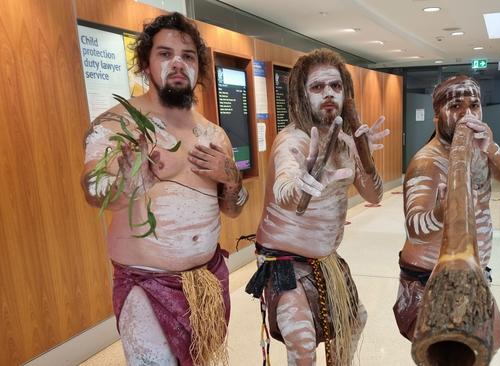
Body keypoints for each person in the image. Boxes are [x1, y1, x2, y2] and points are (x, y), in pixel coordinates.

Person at [81, 12, 247, 366]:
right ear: (145, 62)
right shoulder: (118, 124)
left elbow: (233, 209)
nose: (177, 63)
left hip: (207, 282)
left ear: (198, 67)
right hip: (147, 285)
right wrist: (125, 180)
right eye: (165, 53)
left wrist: (231, 178)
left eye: (187, 56)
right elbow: (93, 190)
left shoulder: (214, 135)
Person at [245, 48, 389, 366]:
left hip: (326, 260)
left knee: (354, 321)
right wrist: (301, 185)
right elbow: (286, 187)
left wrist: (365, 157)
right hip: (285, 261)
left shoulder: (345, 141)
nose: (328, 94)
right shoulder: (293, 141)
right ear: (302, 94)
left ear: (345, 94)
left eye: (335, 87)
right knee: (303, 342)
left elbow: (375, 195)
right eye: (317, 87)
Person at [393, 75, 500, 353]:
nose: (468, 114)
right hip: (429, 279)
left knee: (492, 336)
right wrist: (440, 210)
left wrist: (493, 149)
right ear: (437, 115)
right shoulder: (427, 161)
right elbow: (415, 228)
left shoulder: (482, 152)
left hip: (472, 273)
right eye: (457, 106)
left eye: (474, 105)